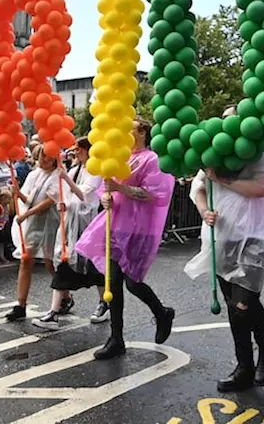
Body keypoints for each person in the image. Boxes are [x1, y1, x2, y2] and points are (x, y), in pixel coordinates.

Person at [185, 119, 264, 392]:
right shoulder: (213, 151)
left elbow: (262, 188)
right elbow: (199, 188)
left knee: (244, 303)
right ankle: (244, 367)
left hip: (254, 237)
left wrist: (222, 178)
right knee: (233, 304)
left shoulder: (260, 151)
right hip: (222, 237)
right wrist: (205, 210)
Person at [73, 119, 176, 360]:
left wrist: (121, 189)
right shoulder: (119, 157)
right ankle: (116, 338)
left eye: (129, 128)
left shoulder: (152, 159)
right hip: (115, 225)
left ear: (141, 132)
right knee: (113, 282)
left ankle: (162, 313)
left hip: (139, 229)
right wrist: (105, 197)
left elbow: (154, 194)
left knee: (133, 282)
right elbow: (105, 189)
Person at [35, 138, 102, 331]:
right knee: (65, 264)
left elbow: (84, 195)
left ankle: (103, 302)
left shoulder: (95, 171)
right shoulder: (75, 170)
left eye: (79, 150)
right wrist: (62, 202)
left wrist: (66, 179)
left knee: (94, 267)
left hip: (87, 226)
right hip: (71, 227)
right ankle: (54, 312)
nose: (76, 153)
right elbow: (68, 195)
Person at [5, 148, 66, 322]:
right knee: (26, 259)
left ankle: (65, 295)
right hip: (33, 224)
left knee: (50, 264)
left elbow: (48, 202)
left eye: (49, 156)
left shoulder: (58, 175)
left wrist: (26, 214)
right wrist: (17, 192)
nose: (45, 159)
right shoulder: (34, 174)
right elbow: (29, 200)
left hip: (50, 224)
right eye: (42, 155)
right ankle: (20, 304)